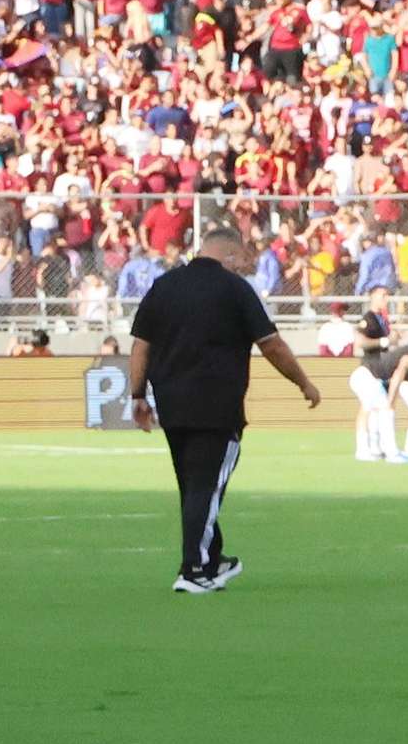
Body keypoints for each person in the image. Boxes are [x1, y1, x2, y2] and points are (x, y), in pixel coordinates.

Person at [125, 230, 322, 592]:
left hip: (171, 404)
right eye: (243, 258)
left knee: (192, 486)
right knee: (206, 486)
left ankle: (213, 559)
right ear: (229, 255)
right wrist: (303, 383)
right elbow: (271, 345)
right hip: (217, 404)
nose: (246, 265)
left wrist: (137, 394)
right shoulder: (235, 289)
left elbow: (140, 345)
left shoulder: (164, 286)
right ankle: (194, 571)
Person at [348, 320, 402, 462]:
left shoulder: (382, 325)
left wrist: (392, 340)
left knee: (380, 410)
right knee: (368, 408)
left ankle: (376, 449)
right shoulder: (369, 319)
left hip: (376, 377)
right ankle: (362, 450)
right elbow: (361, 341)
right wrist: (386, 341)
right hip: (366, 374)